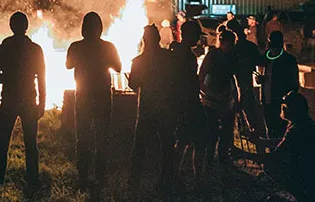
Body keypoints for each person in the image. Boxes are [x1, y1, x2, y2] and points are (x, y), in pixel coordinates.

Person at [0, 12, 46, 189]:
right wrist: (42, 103)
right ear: (26, 26)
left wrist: (9, 79)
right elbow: (42, 78)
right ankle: (33, 180)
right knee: (30, 144)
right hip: (29, 99)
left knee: (2, 142)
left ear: (11, 26)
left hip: (9, 99)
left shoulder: (4, 47)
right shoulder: (35, 49)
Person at [65, 12, 122, 185]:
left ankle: (83, 174)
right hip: (102, 95)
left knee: (82, 136)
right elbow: (118, 67)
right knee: (102, 136)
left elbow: (68, 65)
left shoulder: (76, 46)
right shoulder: (108, 47)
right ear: (100, 28)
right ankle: (100, 175)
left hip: (83, 94)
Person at [264, 91, 315, 202]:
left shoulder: (297, 129)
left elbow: (275, 156)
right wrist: (260, 141)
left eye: (285, 107)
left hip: (314, 176)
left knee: (270, 166)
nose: (282, 108)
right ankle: (313, 197)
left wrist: (243, 155)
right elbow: (283, 142)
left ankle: (304, 199)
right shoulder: (301, 123)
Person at [128, 25, 170, 189]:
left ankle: (134, 181)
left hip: (147, 107)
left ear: (144, 40)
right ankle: (166, 179)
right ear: (158, 39)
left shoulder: (138, 61)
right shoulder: (168, 58)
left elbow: (133, 84)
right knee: (167, 146)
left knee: (139, 147)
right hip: (166, 107)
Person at [170, 19, 208, 181]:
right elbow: (187, 81)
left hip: (184, 102)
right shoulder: (185, 56)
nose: (198, 39)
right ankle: (196, 177)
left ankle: (175, 173)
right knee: (198, 139)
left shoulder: (178, 52)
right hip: (189, 102)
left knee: (184, 139)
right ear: (189, 35)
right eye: (196, 35)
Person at [200, 28, 239, 167]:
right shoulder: (212, 55)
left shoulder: (233, 56)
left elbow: (235, 77)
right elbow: (201, 75)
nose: (230, 46)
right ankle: (208, 159)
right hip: (211, 99)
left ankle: (223, 157)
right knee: (212, 132)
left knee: (227, 131)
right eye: (229, 43)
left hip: (227, 98)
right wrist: (207, 93)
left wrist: (235, 96)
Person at [260, 30, 300, 138]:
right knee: (271, 130)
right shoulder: (266, 58)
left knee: (281, 131)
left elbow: (294, 83)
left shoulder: (288, 60)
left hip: (280, 101)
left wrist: (288, 100)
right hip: (267, 100)